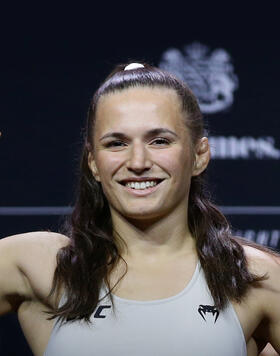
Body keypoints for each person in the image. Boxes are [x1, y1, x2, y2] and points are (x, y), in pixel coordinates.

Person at [0, 62, 279, 356]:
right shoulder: (42, 266)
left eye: (159, 141)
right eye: (116, 143)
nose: (138, 162)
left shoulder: (253, 278)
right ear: (93, 162)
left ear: (199, 155)